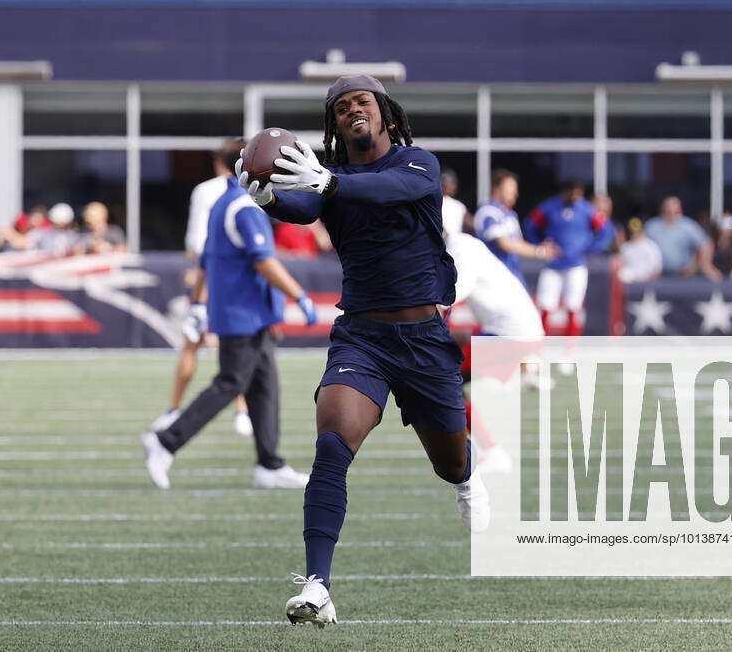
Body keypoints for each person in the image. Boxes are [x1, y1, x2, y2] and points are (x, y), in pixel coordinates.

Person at [235, 75, 490, 628]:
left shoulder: (417, 164)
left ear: (386, 116)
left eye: (363, 103)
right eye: (342, 107)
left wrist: (326, 183)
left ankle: (469, 477)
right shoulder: (332, 177)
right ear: (334, 123)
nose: (353, 111)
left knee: (450, 463)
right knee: (332, 445)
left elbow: (388, 191)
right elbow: (303, 207)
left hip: (423, 338)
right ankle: (317, 586)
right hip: (362, 337)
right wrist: (267, 198)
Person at [140, 175, 318, 492]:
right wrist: (299, 294)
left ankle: (269, 464)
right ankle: (166, 441)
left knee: (264, 387)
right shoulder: (244, 207)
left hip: (247, 313)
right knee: (230, 383)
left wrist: (197, 301)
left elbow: (206, 259)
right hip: (243, 313)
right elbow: (264, 261)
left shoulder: (223, 202)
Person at [154, 139, 255, 437]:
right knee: (234, 345)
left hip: (208, 272)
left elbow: (196, 244)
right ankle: (242, 412)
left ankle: (173, 410)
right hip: (236, 277)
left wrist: (198, 279)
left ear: (217, 162)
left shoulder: (207, 191)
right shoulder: (250, 191)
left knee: (194, 344)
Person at [444, 223, 546, 474]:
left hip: (511, 335)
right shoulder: (463, 245)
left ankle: (492, 451)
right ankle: (489, 448)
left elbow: (450, 295)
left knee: (442, 378)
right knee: (446, 377)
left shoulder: (460, 247)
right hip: (511, 332)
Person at [523, 179, 614, 337]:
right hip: (553, 264)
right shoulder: (549, 207)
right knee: (545, 304)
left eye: (577, 192)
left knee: (573, 306)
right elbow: (530, 225)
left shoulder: (587, 209)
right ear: (564, 191)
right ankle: (541, 346)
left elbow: (607, 230)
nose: (574, 196)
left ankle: (569, 350)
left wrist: (590, 248)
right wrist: (539, 245)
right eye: (571, 192)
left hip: (576, 265)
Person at [473, 169, 555, 286]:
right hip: (493, 279)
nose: (515, 193)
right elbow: (505, 244)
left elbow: (518, 244)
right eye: (511, 188)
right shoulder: (488, 212)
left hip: (513, 275)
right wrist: (539, 251)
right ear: (497, 188)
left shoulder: (511, 215)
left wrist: (539, 247)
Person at [643, 196, 708, 276]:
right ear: (663, 209)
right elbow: (639, 245)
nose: (672, 212)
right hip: (657, 275)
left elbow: (705, 245)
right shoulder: (651, 226)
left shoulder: (689, 226)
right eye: (668, 208)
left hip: (683, 275)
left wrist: (696, 266)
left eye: (676, 210)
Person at [700, 213, 732, 282]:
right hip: (713, 281)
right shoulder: (711, 242)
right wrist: (714, 276)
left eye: (731, 224)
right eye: (725, 224)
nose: (728, 229)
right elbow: (705, 263)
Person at [618, 217, 663, 283]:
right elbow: (620, 267)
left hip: (647, 283)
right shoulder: (625, 247)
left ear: (643, 230)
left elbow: (656, 270)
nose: (635, 234)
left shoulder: (651, 246)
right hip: (628, 283)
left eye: (637, 231)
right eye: (632, 232)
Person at [440, 168, 472, 237]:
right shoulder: (459, 205)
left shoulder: (430, 203)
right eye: (451, 183)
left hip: (449, 243)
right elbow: (472, 226)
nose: (454, 186)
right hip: (452, 243)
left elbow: (471, 225)